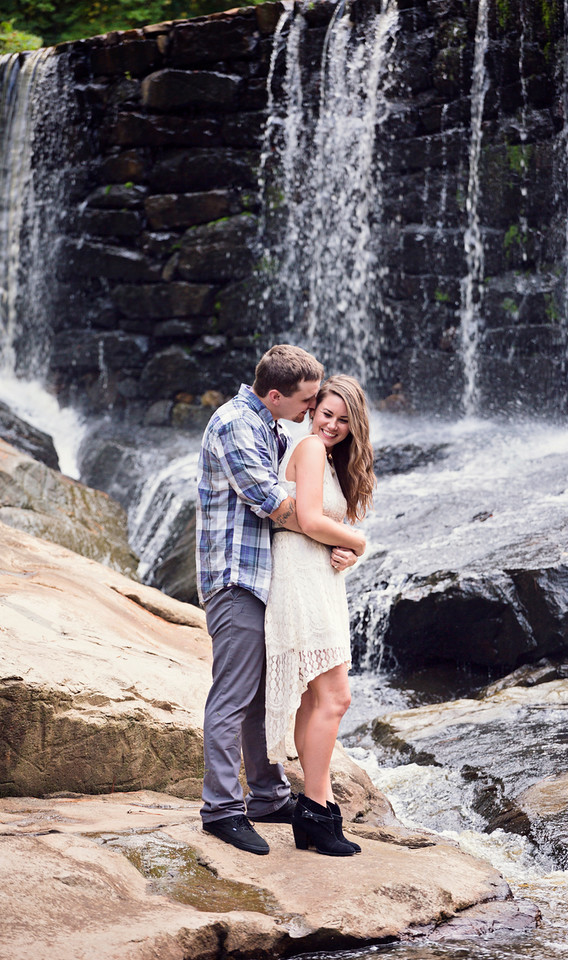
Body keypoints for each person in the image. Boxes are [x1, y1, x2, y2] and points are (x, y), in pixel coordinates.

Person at [196, 343, 325, 856]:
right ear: (275, 394)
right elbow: (273, 503)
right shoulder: (234, 424)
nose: (311, 411)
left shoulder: (270, 424)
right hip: (235, 580)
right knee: (231, 698)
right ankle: (222, 811)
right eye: (307, 401)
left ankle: (268, 798)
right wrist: (340, 536)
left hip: (262, 578)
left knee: (261, 696)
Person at [264, 374, 375, 856]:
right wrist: (360, 542)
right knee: (336, 697)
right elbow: (309, 519)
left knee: (316, 700)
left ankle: (319, 810)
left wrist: (350, 553)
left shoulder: (329, 458)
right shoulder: (309, 448)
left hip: (319, 581)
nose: (331, 424)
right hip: (301, 582)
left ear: (355, 426)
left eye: (343, 420)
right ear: (313, 411)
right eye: (326, 413)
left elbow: (325, 527)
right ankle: (314, 806)